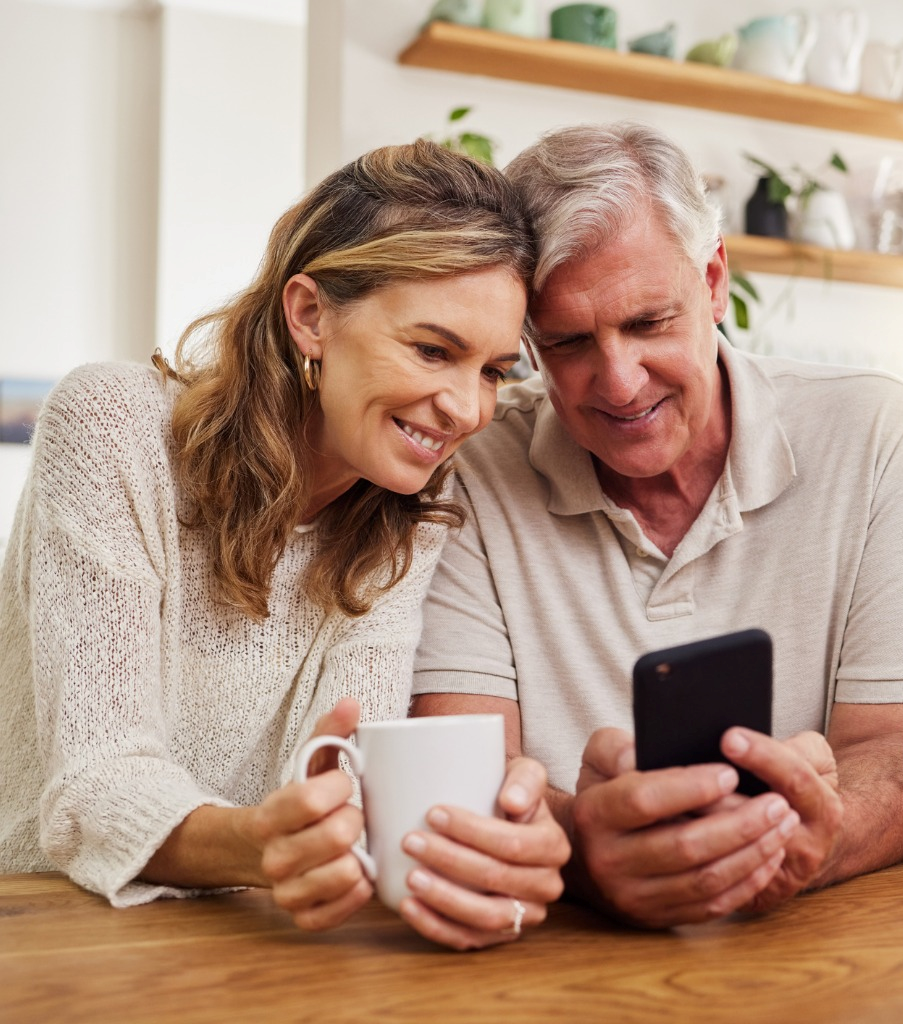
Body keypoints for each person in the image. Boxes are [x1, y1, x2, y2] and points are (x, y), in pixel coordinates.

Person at [0, 140, 569, 950]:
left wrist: (500, 836)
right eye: (433, 350)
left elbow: (342, 774)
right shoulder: (112, 427)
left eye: (493, 370)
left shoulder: (409, 507)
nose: (466, 409)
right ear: (310, 315)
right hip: (58, 931)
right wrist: (264, 842)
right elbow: (94, 786)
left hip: (259, 939)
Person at [411, 122, 903, 928]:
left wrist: (814, 833)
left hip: (825, 955)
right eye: (569, 342)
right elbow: (466, 768)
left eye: (648, 323)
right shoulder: (469, 467)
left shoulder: (879, 434)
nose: (618, 382)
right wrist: (584, 847)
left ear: (713, 281)